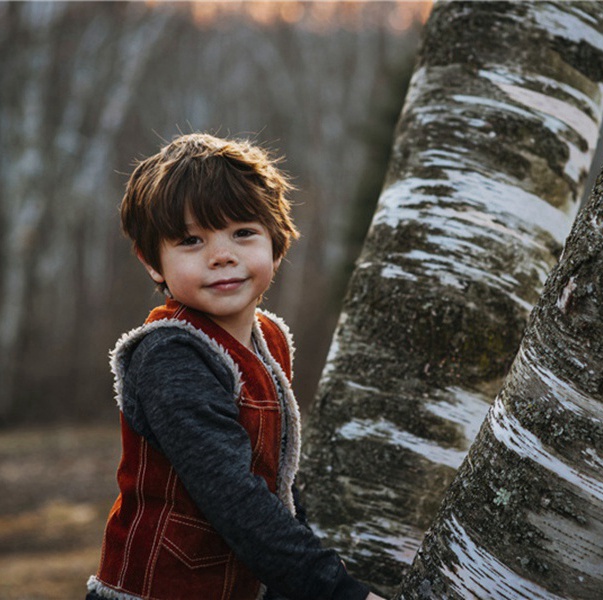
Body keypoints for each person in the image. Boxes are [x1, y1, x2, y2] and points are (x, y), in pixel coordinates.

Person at [87, 133, 384, 600]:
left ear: (277, 243)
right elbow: (234, 498)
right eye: (190, 240)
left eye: (243, 232)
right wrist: (337, 592)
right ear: (152, 263)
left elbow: (275, 481)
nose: (221, 255)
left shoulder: (269, 340)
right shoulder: (170, 355)